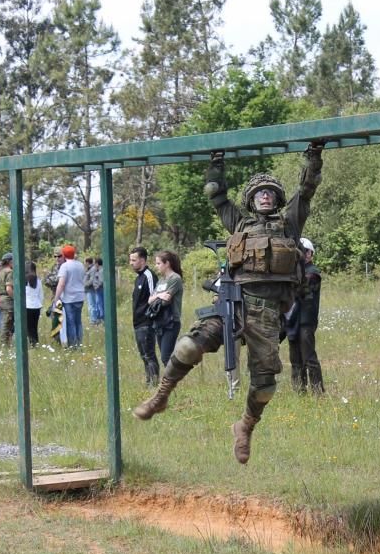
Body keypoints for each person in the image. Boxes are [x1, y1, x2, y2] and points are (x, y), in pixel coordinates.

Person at [133, 142, 324, 465]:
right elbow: (215, 193)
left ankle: (246, 426)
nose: (265, 196)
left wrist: (314, 155)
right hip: (231, 304)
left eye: (270, 192)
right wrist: (216, 162)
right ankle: (161, 395)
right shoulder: (238, 223)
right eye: (259, 193)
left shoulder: (289, 223)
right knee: (187, 348)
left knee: (264, 385)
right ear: (250, 199)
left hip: (266, 313)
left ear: (277, 199)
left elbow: (306, 190)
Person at [286, 237, 324, 394]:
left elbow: (300, 287)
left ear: (309, 254)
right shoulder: (294, 272)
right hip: (293, 320)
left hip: (306, 321)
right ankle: (299, 391)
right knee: (295, 358)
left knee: (308, 357)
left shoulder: (313, 273)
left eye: (303, 251)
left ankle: (317, 391)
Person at [129, 246, 160, 387]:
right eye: (130, 260)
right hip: (138, 323)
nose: (131, 263)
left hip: (147, 323)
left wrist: (151, 318)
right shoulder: (138, 278)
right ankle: (149, 381)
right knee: (143, 355)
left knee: (149, 354)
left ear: (142, 260)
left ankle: (154, 383)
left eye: (134, 260)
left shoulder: (149, 276)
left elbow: (155, 298)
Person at [149, 250, 184, 365]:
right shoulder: (161, 281)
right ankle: (172, 379)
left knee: (166, 356)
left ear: (167, 263)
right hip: (159, 321)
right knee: (165, 357)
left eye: (158, 263)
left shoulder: (175, 279)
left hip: (171, 322)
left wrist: (157, 298)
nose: (156, 266)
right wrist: (159, 295)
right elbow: (149, 300)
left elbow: (165, 301)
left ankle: (172, 380)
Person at [53, 245, 86, 347]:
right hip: (80, 297)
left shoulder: (65, 266)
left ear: (63, 255)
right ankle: (79, 343)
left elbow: (61, 284)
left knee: (70, 322)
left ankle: (73, 345)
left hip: (69, 298)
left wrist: (56, 298)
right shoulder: (80, 265)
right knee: (78, 322)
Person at [0, 252, 15, 348]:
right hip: (8, 300)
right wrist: (16, 299)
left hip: (1, 299)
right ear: (9, 261)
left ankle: (6, 343)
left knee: (6, 321)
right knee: (7, 323)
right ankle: (5, 344)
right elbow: (9, 288)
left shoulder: (0, 272)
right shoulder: (10, 272)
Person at [25, 262, 44, 346]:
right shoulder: (38, 281)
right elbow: (41, 295)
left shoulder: (24, 281)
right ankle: (35, 343)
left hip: (27, 306)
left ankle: (30, 342)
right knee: (34, 326)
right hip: (36, 306)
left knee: (28, 327)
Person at [90, 257, 105, 325]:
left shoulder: (101, 271)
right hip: (99, 289)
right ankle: (100, 318)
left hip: (100, 290)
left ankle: (102, 318)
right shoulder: (99, 270)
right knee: (98, 303)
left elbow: (101, 281)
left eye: (95, 263)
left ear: (97, 263)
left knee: (100, 304)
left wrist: (97, 286)